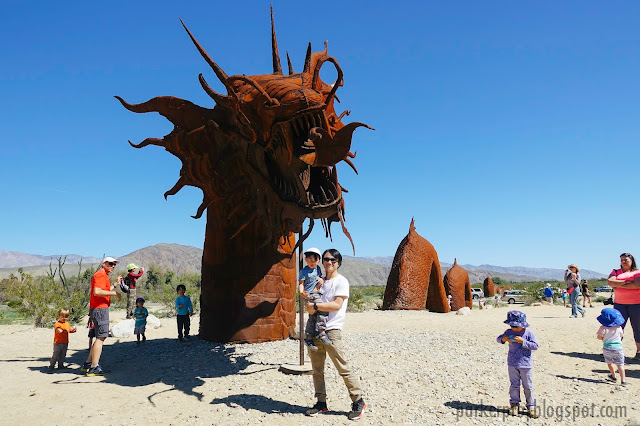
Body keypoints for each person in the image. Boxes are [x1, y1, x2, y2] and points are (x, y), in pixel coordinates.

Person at [304, 248, 367, 421]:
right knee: (317, 370)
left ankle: (358, 400)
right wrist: (310, 304)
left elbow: (336, 305)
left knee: (342, 367)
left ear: (338, 262)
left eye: (333, 260)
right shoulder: (319, 281)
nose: (329, 262)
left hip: (331, 331)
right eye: (326, 259)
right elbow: (311, 298)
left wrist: (315, 307)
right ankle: (321, 402)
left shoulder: (342, 282)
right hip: (315, 329)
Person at [82, 257, 122, 376]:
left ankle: (88, 363)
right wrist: (114, 293)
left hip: (98, 309)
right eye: (110, 264)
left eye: (114, 264)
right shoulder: (100, 275)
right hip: (100, 309)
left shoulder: (103, 275)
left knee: (99, 337)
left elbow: (103, 291)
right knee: (101, 337)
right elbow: (97, 292)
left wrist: (115, 285)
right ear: (104, 264)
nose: (113, 266)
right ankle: (94, 367)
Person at [497, 311, 539, 418]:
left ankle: (531, 406)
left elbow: (535, 346)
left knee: (528, 386)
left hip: (525, 364)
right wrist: (503, 339)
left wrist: (523, 342)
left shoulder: (529, 333)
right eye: (511, 326)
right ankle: (514, 404)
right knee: (514, 385)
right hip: (512, 363)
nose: (514, 328)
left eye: (516, 326)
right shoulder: (508, 332)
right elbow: (498, 339)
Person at [607, 253, 640, 361]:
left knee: (638, 328)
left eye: (625, 260)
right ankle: (614, 351)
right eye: (621, 260)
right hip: (619, 303)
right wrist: (627, 282)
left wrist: (618, 283)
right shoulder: (615, 272)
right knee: (617, 327)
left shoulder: (637, 272)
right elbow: (610, 282)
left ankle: (639, 352)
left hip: (636, 303)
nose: (623, 262)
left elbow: (637, 285)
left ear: (631, 260)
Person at [298, 247, 329, 350]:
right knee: (323, 308)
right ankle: (321, 331)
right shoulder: (304, 271)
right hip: (310, 295)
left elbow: (319, 279)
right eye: (310, 259)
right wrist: (301, 292)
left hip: (317, 293)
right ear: (306, 259)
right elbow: (301, 284)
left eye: (315, 260)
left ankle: (309, 337)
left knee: (313, 316)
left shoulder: (318, 269)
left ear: (319, 261)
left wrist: (320, 281)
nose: (312, 262)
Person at [596, 308, 626, 386]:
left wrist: (604, 338)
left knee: (609, 363)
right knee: (620, 364)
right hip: (618, 348)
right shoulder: (619, 328)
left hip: (607, 348)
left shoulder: (603, 328)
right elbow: (621, 335)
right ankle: (623, 381)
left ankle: (613, 376)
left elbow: (599, 337)